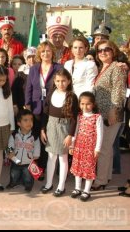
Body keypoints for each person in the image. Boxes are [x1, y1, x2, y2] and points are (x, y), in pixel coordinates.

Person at [24, 41, 62, 180]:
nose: (46, 53)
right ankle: (35, 168)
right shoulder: (34, 68)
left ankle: (45, 167)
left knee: (47, 137)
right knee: (35, 138)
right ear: (39, 54)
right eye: (43, 51)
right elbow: (28, 87)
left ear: (53, 52)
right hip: (35, 107)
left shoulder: (58, 67)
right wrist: (27, 104)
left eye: (48, 51)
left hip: (52, 107)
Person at [91, 40, 126, 190]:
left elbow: (118, 91)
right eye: (100, 50)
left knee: (104, 148)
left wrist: (113, 111)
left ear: (113, 51)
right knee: (107, 148)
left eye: (107, 49)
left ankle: (100, 180)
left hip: (111, 114)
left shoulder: (116, 68)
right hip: (101, 114)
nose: (103, 52)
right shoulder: (102, 68)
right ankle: (107, 176)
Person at [41, 69, 79, 197]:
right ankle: (48, 183)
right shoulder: (51, 93)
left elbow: (74, 118)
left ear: (68, 81)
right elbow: (45, 113)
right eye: (58, 81)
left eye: (63, 81)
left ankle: (61, 186)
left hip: (64, 128)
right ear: (54, 81)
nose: (60, 83)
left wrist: (70, 135)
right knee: (51, 157)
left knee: (62, 158)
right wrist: (42, 129)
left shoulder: (72, 96)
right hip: (51, 126)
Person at [70, 92, 103, 202]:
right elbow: (75, 131)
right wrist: (72, 145)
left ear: (93, 104)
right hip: (79, 146)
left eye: (88, 104)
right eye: (82, 103)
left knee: (89, 169)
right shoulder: (79, 115)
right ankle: (77, 188)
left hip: (90, 148)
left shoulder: (97, 117)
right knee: (78, 168)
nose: (85, 106)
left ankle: (86, 191)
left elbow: (100, 134)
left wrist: (97, 149)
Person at [6, 109, 40, 192]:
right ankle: (13, 182)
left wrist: (36, 154)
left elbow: (37, 146)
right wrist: (10, 153)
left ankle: (28, 185)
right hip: (16, 160)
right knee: (14, 174)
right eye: (25, 120)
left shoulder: (34, 136)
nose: (29, 122)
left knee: (28, 176)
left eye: (31, 120)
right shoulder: (14, 135)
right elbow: (9, 145)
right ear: (19, 123)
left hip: (28, 161)